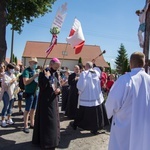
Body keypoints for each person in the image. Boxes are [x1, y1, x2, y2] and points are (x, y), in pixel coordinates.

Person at [105, 52, 150, 150]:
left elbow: (111, 103)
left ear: (130, 63)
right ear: (144, 63)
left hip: (125, 128)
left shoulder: (124, 80)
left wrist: (108, 114)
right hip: (145, 128)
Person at [70, 62, 108, 134]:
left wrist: (79, 90)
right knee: (95, 114)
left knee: (81, 112)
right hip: (96, 96)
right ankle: (95, 129)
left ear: (86, 66)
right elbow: (98, 69)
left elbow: (81, 85)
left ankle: (75, 125)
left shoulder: (84, 73)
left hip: (87, 96)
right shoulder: (97, 72)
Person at [32, 58, 61, 150]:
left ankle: (54, 140)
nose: (56, 69)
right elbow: (42, 86)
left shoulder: (56, 73)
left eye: (58, 67)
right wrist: (47, 77)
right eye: (56, 67)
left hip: (54, 100)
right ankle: (46, 142)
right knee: (47, 121)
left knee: (54, 120)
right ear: (51, 65)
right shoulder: (43, 73)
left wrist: (59, 90)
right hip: (45, 101)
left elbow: (58, 85)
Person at [22, 57, 39, 133]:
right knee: (27, 110)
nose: (35, 64)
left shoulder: (35, 70)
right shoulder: (26, 71)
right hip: (29, 93)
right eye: (34, 63)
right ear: (30, 63)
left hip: (36, 92)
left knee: (33, 109)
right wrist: (34, 77)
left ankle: (32, 123)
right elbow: (25, 82)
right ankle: (25, 125)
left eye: (36, 63)